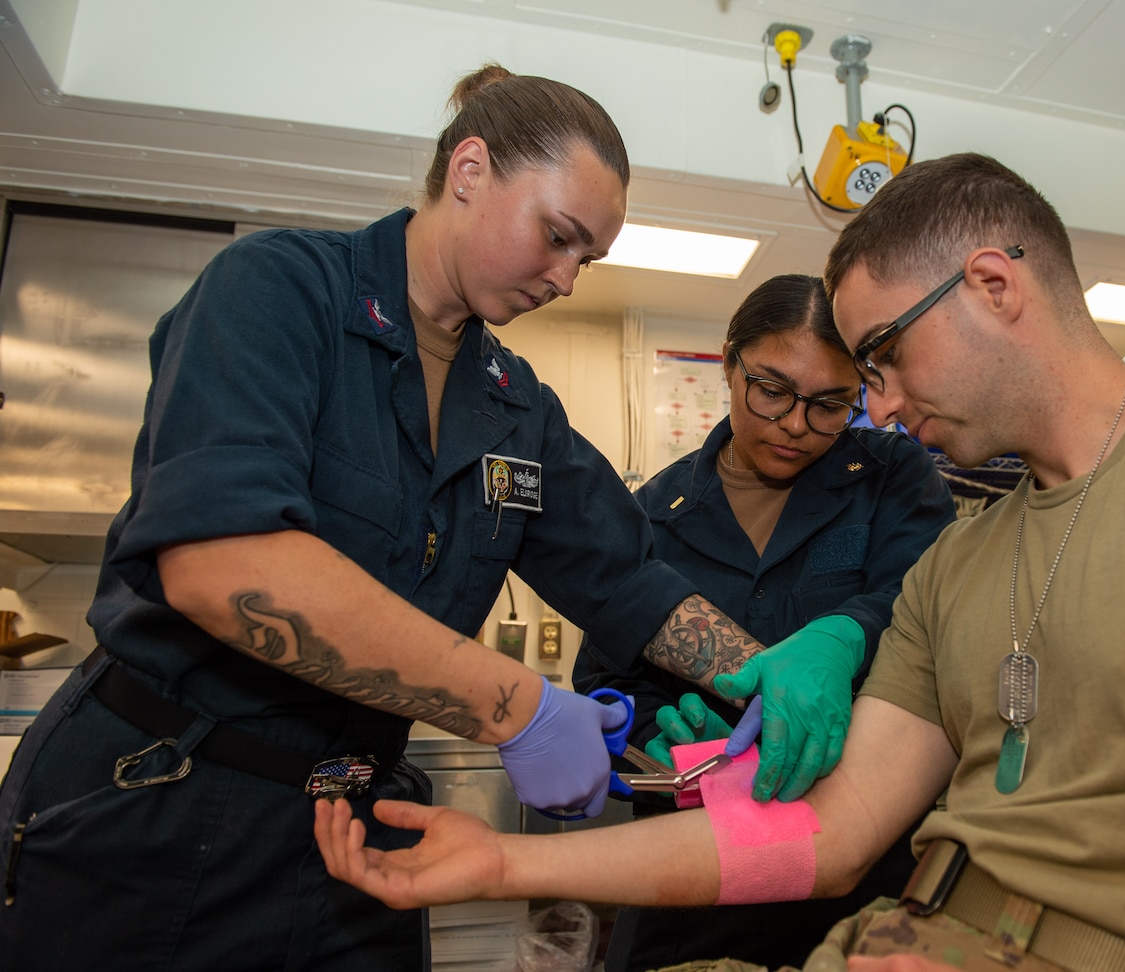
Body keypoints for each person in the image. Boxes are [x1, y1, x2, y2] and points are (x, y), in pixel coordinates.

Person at [314, 152, 1125, 972]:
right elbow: (828, 835)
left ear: (991, 286)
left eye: (880, 360)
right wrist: (508, 869)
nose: (875, 406)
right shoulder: (953, 571)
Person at [0, 64, 819, 972]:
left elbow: (624, 577)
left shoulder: (515, 406)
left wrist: (768, 679)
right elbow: (225, 568)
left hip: (359, 822)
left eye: (585, 259)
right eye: (557, 238)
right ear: (469, 169)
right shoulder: (277, 293)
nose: (566, 279)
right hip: (163, 799)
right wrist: (518, 709)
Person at [574, 273, 956, 972]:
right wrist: (660, 736)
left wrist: (845, 634)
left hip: (862, 870)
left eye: (830, 404)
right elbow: (604, 678)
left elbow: (927, 595)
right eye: (772, 390)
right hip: (699, 874)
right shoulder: (651, 514)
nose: (794, 425)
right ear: (728, 361)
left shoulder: (889, 474)